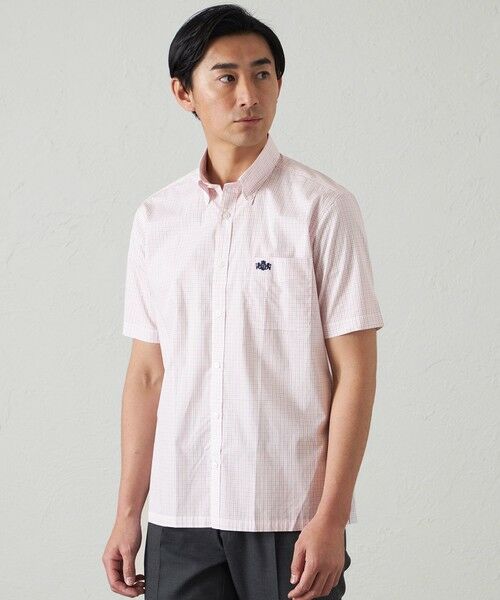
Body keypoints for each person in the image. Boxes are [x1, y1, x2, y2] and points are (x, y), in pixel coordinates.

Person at [102, 4, 384, 599]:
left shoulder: (322, 208)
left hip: (288, 514)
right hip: (180, 512)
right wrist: (129, 511)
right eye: (226, 77)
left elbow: (355, 372)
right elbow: (148, 373)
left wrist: (331, 517)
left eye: (262, 74)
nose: (249, 95)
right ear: (184, 92)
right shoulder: (157, 219)